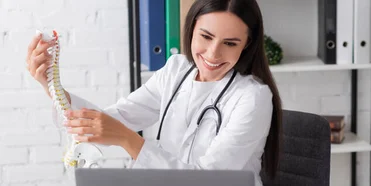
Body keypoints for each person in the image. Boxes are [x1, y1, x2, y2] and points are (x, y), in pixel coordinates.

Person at [24, 0, 282, 185]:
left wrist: (129, 140)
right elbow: (113, 120)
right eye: (205, 36)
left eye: (229, 43)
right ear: (191, 29)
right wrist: (52, 86)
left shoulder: (253, 99)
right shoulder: (176, 70)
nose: (213, 54)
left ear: (247, 44)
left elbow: (209, 179)